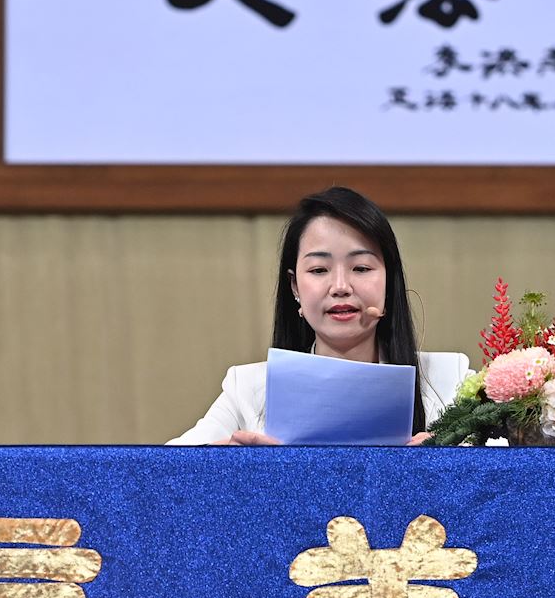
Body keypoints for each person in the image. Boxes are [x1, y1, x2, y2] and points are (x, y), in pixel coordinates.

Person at [168, 186, 470, 445]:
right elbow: (161, 469)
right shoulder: (247, 388)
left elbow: (498, 467)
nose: (340, 287)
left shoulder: (450, 382)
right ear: (295, 287)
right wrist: (225, 464)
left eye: (361, 268)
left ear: (389, 283)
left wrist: (452, 464)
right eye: (319, 270)